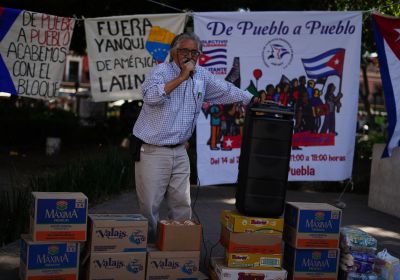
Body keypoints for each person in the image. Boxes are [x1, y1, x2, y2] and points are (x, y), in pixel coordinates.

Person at [132, 32, 258, 240]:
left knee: (182, 205)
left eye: (194, 52)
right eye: (184, 51)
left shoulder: (202, 76)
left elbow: (227, 90)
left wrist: (252, 99)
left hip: (180, 150)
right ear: (174, 52)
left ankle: (178, 251)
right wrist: (181, 77)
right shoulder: (161, 72)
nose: (189, 56)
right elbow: (151, 97)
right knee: (150, 206)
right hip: (153, 151)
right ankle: (148, 252)